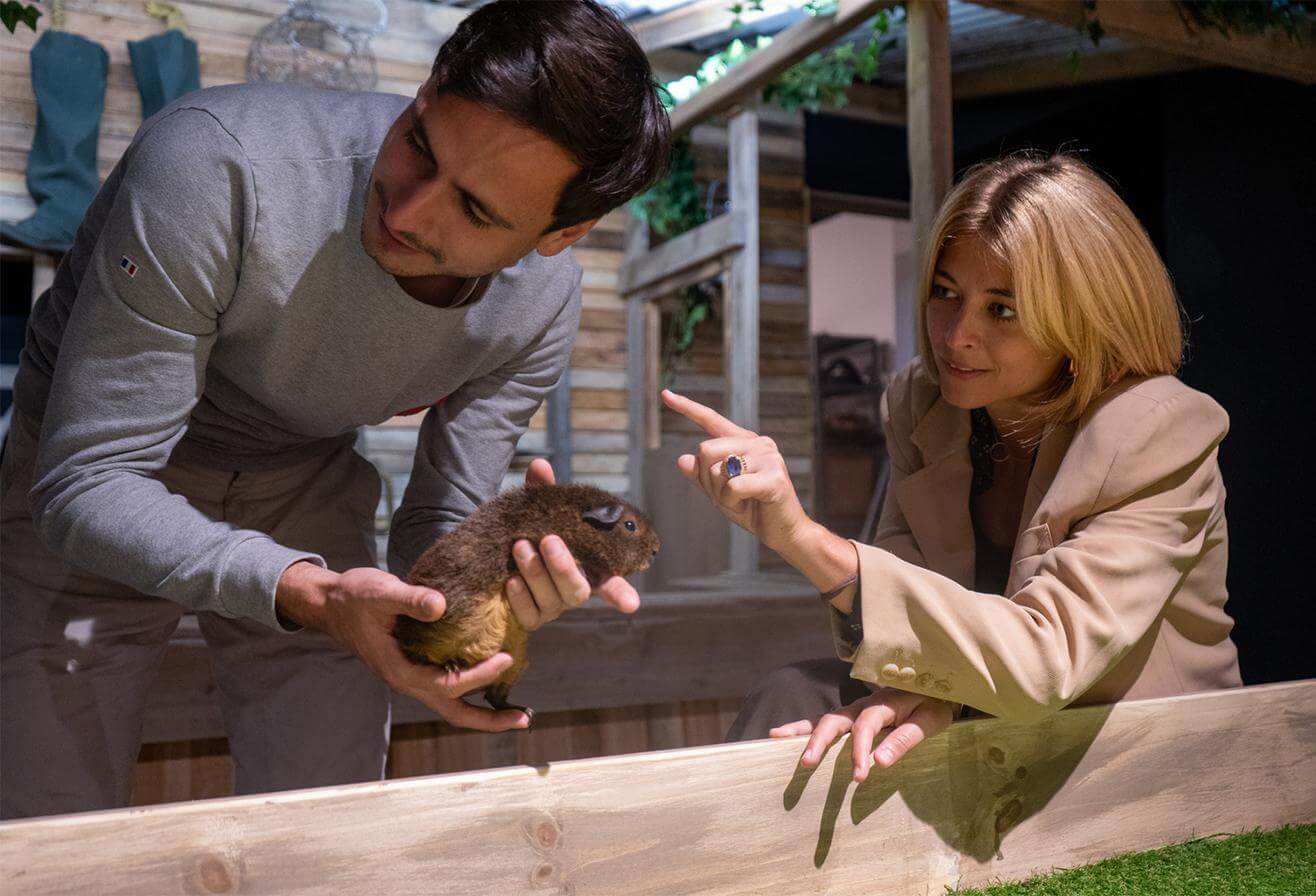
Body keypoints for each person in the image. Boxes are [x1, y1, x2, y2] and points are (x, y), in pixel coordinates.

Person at [0, 0, 669, 818]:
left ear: (562, 234)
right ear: (428, 86)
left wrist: (471, 595)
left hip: (302, 476)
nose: (408, 211)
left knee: (332, 802)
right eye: (419, 141)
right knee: (43, 814)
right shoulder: (218, 165)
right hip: (91, 473)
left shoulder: (539, 305)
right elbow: (88, 483)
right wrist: (307, 592)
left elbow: (443, 522)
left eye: (477, 211)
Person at [663, 151, 1242, 784]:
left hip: (1133, 746)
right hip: (988, 716)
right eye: (946, 292)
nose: (956, 335)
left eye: (1002, 309)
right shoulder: (923, 404)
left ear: (1083, 316)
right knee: (794, 698)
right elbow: (910, 607)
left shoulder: (1161, 427)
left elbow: (1046, 660)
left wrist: (801, 539)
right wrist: (921, 694)